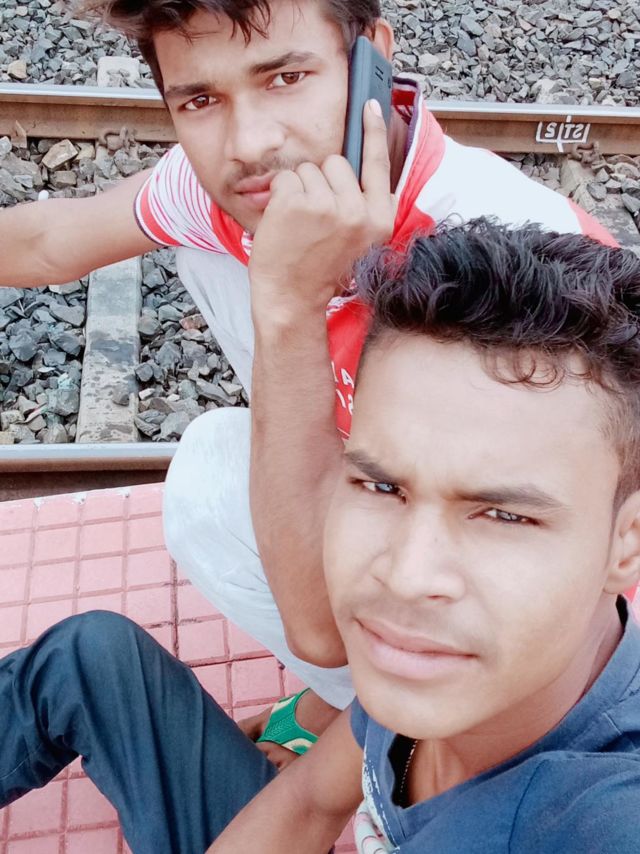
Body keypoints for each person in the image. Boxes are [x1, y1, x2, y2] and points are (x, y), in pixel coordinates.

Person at [0, 0, 617, 744]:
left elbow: (322, 628)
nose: (250, 144)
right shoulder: (229, 195)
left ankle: (402, 738)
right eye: (201, 100)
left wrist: (289, 303)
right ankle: (357, 703)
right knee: (210, 459)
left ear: (372, 58)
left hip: (547, 635)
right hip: (386, 485)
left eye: (285, 78)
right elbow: (48, 240)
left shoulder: (506, 259)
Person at [2, 220, 640, 853]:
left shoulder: (596, 812)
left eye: (504, 516)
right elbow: (309, 799)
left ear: (627, 541)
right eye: (382, 486)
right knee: (90, 656)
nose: (404, 577)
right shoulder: (443, 654)